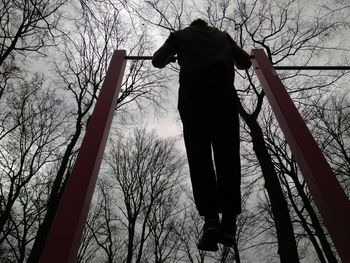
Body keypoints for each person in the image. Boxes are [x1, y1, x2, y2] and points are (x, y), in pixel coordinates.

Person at [152, 18, 251, 251]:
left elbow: (157, 61)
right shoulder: (222, 36)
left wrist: (173, 55)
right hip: (223, 98)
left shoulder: (179, 36)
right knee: (228, 156)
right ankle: (228, 220)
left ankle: (210, 220)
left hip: (193, 99)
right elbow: (245, 62)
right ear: (206, 26)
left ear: (192, 26)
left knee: (200, 158)